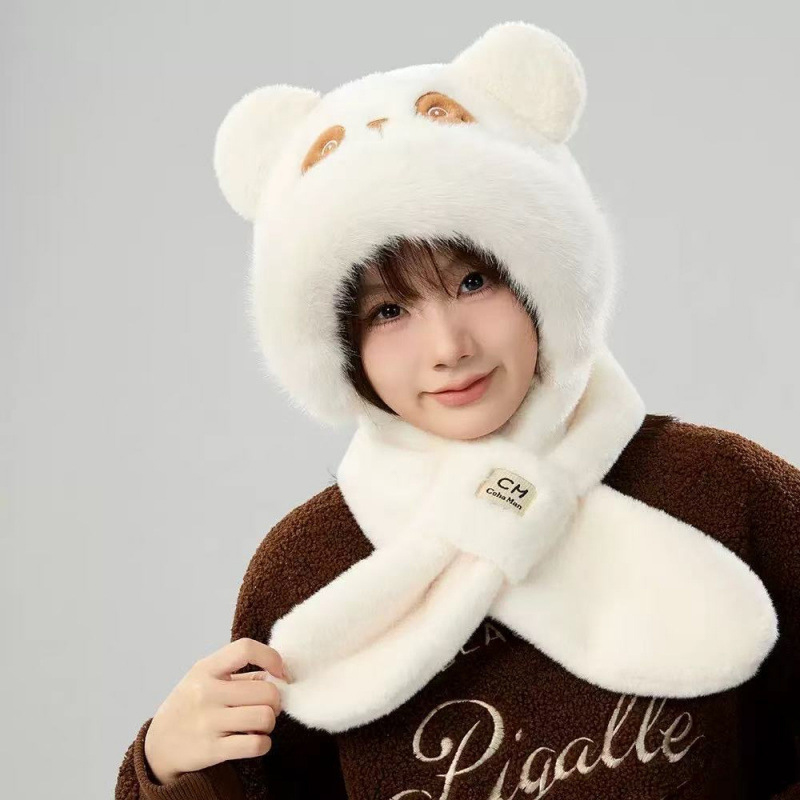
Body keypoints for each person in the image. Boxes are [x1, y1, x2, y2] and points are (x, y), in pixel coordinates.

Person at [115, 20, 800, 800]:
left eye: (475, 281)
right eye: (388, 312)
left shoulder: (722, 487)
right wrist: (166, 767)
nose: (448, 346)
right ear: (339, 346)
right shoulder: (308, 570)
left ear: (543, 275)